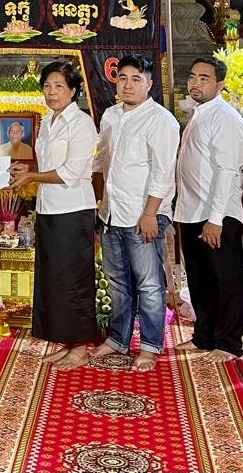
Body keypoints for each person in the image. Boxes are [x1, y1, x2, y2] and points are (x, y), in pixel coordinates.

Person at [9, 61, 99, 370]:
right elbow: (48, 164)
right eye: (47, 86)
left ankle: (81, 347)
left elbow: (71, 172)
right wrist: (28, 168)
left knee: (74, 278)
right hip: (48, 208)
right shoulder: (47, 121)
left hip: (74, 210)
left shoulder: (82, 124)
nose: (52, 92)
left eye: (59, 86)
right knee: (55, 278)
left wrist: (32, 176)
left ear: (73, 91)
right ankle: (66, 341)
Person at [92, 55, 179, 371]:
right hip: (111, 212)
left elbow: (163, 171)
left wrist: (150, 213)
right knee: (117, 282)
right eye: (123, 78)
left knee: (149, 284)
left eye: (136, 79)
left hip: (143, 214)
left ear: (149, 84)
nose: (128, 85)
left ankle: (150, 345)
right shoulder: (111, 115)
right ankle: (118, 338)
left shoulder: (161, 120)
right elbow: (101, 159)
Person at [174, 56, 243, 362]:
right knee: (200, 277)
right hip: (192, 209)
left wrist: (216, 218)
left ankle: (228, 343)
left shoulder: (225, 117)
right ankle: (204, 336)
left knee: (225, 278)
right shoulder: (199, 113)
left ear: (220, 84)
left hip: (217, 214)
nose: (195, 83)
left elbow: (228, 170)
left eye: (204, 78)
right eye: (193, 77)